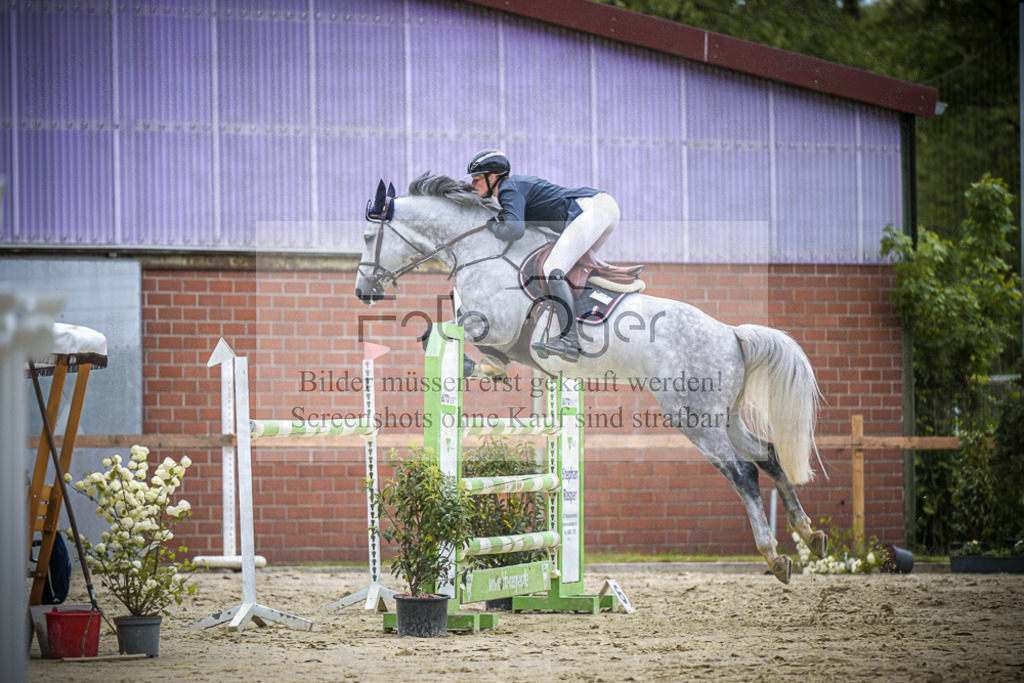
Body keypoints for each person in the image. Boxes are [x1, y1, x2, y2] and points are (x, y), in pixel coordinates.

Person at [466, 149, 620, 362]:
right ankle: (589, 325)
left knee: (552, 270)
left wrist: (493, 227)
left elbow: (515, 231)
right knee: (571, 272)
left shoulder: (508, 189)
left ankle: (569, 341)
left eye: (477, 179)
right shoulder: (514, 190)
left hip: (592, 209)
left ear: (493, 177)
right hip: (601, 208)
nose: (473, 185)